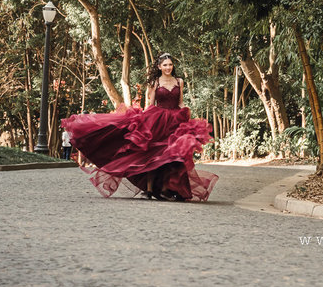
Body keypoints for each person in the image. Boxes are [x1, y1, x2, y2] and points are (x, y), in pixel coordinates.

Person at [60, 53, 218, 202]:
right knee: (151, 155)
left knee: (174, 156)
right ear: (159, 67)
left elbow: (181, 102)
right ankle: (149, 190)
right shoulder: (155, 82)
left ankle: (169, 189)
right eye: (165, 65)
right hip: (158, 120)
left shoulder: (179, 81)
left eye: (170, 64)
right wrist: (144, 120)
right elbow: (151, 104)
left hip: (176, 121)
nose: (168, 67)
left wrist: (188, 117)